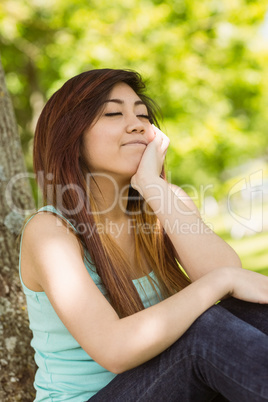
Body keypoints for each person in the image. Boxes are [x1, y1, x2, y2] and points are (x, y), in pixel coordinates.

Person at [19, 68, 268, 402]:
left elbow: (231, 280)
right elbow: (114, 350)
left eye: (143, 114)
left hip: (165, 386)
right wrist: (222, 281)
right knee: (202, 334)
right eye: (113, 113)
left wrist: (152, 184)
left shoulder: (164, 202)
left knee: (251, 313)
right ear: (72, 139)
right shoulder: (50, 233)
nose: (137, 124)